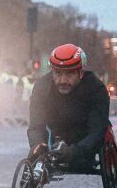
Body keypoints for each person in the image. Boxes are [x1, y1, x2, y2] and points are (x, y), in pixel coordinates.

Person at [27, 43, 110, 173]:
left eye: (70, 74)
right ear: (52, 72)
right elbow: (35, 125)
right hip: (56, 129)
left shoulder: (96, 89)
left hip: (83, 133)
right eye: (58, 74)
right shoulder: (42, 86)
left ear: (81, 73)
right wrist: (37, 145)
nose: (63, 80)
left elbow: (97, 130)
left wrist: (75, 152)